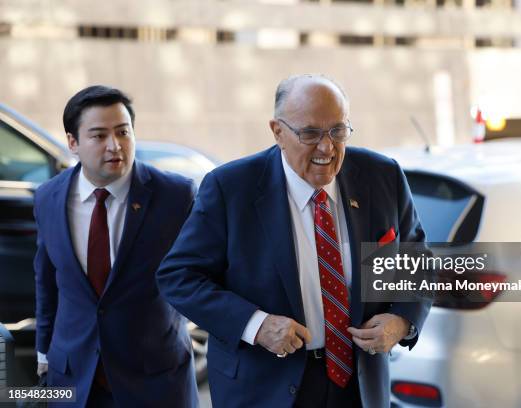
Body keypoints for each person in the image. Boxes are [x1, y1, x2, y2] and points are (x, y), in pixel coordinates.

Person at [157, 74, 431, 407]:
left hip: (360, 387)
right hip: (265, 387)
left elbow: (418, 262)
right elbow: (178, 277)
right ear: (278, 132)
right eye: (311, 133)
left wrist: (402, 321)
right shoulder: (231, 188)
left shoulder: (381, 175)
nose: (327, 147)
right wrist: (255, 325)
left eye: (338, 131)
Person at [34, 85, 199, 407]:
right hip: (73, 377)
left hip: (155, 377)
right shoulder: (48, 198)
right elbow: (47, 282)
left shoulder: (176, 196)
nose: (115, 145)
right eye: (98, 136)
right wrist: (44, 353)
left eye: (123, 132)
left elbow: (201, 275)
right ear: (73, 143)